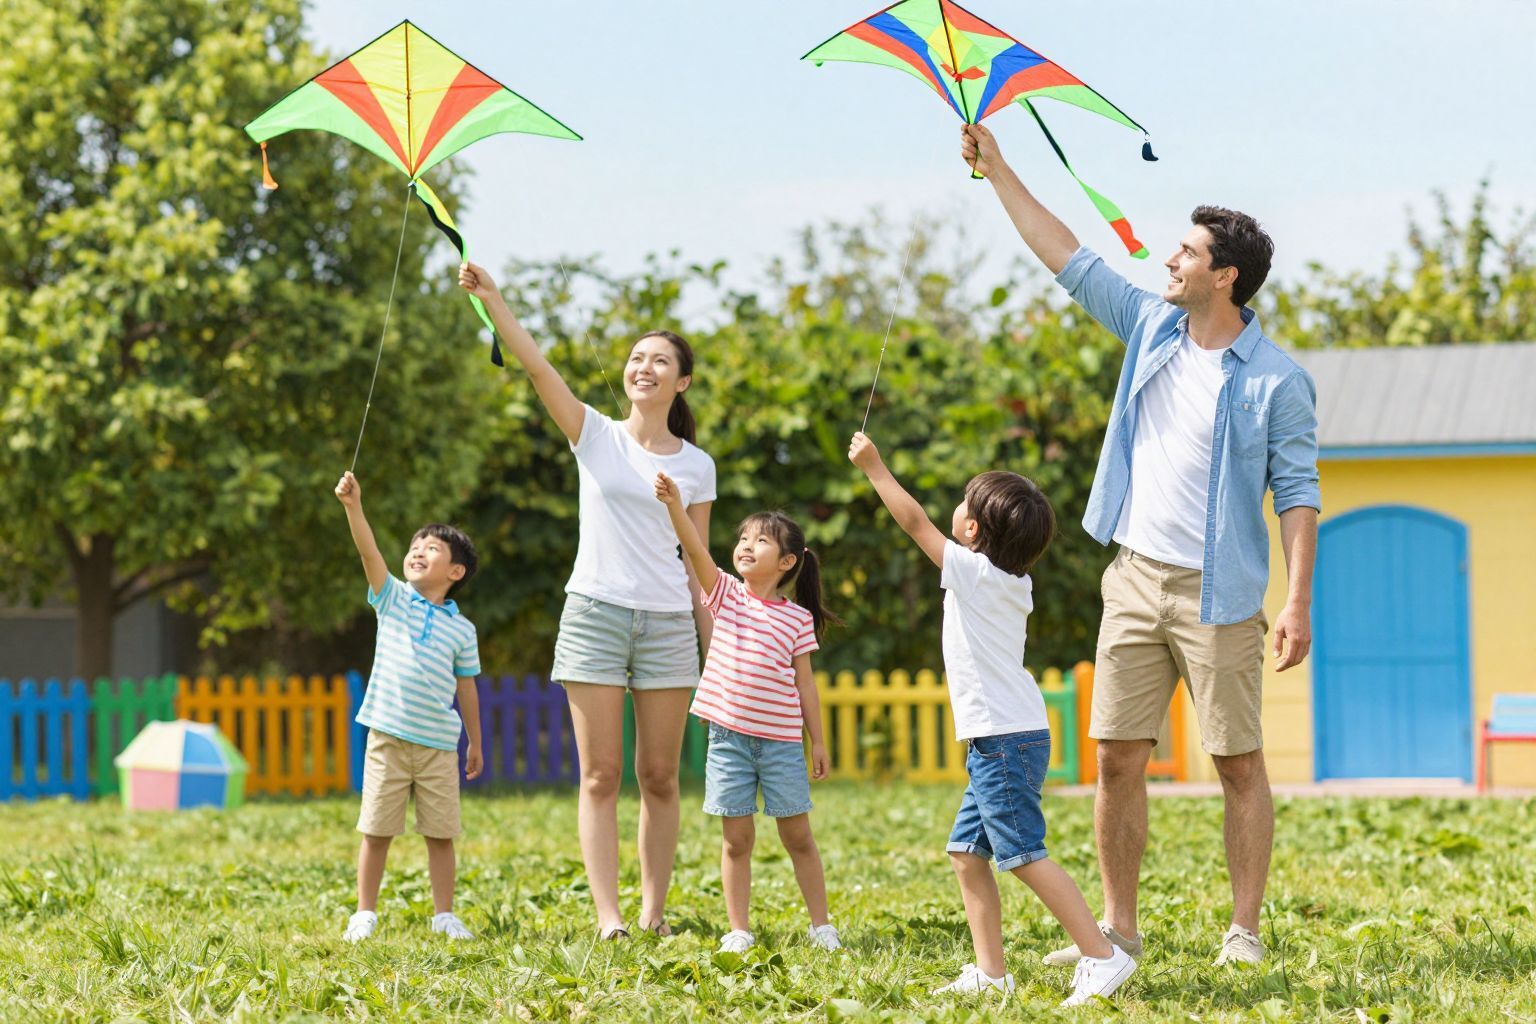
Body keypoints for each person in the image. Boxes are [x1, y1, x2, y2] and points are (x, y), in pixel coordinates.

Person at [960, 124, 1321, 968]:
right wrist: (1000, 170)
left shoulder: (1277, 381)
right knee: (1117, 759)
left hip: (1220, 593)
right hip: (1132, 579)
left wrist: (1297, 601)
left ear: (1223, 276)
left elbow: (1299, 498)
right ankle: (1118, 929)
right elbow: (1067, 256)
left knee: (1236, 763)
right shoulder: (1151, 331)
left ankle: (1244, 931)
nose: (1171, 261)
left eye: (1187, 253)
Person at [458, 262, 715, 939]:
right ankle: (610, 918)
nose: (645, 367)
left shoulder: (697, 464)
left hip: (665, 624)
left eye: (661, 361)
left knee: (660, 776)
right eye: (637, 358)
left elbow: (701, 566)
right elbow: (540, 370)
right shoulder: (594, 434)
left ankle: (655, 914)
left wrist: (715, 650)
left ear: (681, 381)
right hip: (596, 615)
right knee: (600, 777)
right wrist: (497, 302)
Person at [848, 433, 1137, 1007]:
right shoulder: (1009, 580)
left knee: (1023, 854)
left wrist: (876, 468)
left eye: (963, 503)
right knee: (966, 853)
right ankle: (990, 971)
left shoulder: (976, 576)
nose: (952, 511)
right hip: (1003, 738)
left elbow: (912, 523)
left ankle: (1103, 956)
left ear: (973, 531)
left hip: (1004, 741)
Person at [654, 472, 842, 955]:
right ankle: (739, 929)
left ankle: (822, 926)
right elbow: (695, 550)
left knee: (798, 836)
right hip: (729, 742)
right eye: (742, 538)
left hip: (780, 745)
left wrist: (817, 741)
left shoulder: (798, 618)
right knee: (736, 840)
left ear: (786, 562)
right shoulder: (725, 595)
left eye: (760, 541)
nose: (745, 545)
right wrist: (676, 504)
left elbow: (806, 685)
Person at [333, 471, 483, 943]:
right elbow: (368, 552)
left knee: (441, 834)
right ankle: (364, 912)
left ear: (455, 572)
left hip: (438, 744)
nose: (418, 550)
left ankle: (444, 915)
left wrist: (474, 741)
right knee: (376, 831)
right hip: (388, 738)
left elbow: (468, 689)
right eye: (415, 545)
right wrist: (354, 507)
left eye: (432, 548)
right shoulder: (392, 598)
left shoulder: (463, 630)